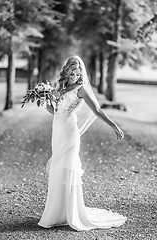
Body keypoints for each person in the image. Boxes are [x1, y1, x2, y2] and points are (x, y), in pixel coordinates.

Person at [38, 56, 127, 231]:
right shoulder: (60, 88)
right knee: (58, 167)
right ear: (67, 71)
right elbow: (55, 111)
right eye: (73, 73)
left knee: (68, 167)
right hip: (57, 131)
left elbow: (97, 110)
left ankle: (72, 213)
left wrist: (114, 125)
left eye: (78, 73)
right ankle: (57, 213)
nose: (76, 76)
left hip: (70, 133)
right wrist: (44, 99)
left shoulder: (81, 89)